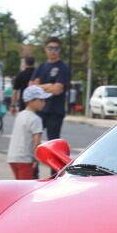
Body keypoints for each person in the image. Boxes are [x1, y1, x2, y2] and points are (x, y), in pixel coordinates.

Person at [31, 37, 72, 176]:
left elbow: (57, 90)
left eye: (56, 48)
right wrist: (48, 86)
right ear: (45, 49)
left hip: (55, 111)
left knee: (53, 144)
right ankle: (33, 171)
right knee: (35, 141)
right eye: (50, 48)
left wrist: (41, 87)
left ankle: (55, 174)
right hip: (40, 109)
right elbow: (32, 87)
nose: (53, 51)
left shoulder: (63, 68)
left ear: (59, 50)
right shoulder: (42, 67)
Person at [7, 86, 50, 179]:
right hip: (25, 159)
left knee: (18, 185)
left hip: (12, 157)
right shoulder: (36, 119)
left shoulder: (20, 115)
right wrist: (36, 158)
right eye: (41, 100)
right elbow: (36, 142)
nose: (44, 103)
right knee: (25, 188)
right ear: (31, 101)